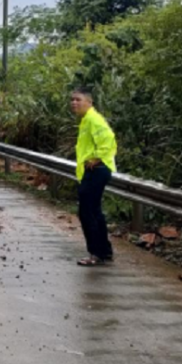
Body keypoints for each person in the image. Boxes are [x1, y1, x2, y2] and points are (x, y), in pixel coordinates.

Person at [71, 87, 117, 266]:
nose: (74, 103)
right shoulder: (86, 120)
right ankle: (104, 251)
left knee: (87, 212)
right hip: (95, 171)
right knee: (95, 211)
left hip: (96, 170)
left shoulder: (93, 119)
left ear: (89, 102)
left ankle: (95, 254)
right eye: (72, 100)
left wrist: (97, 158)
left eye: (78, 100)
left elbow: (109, 139)